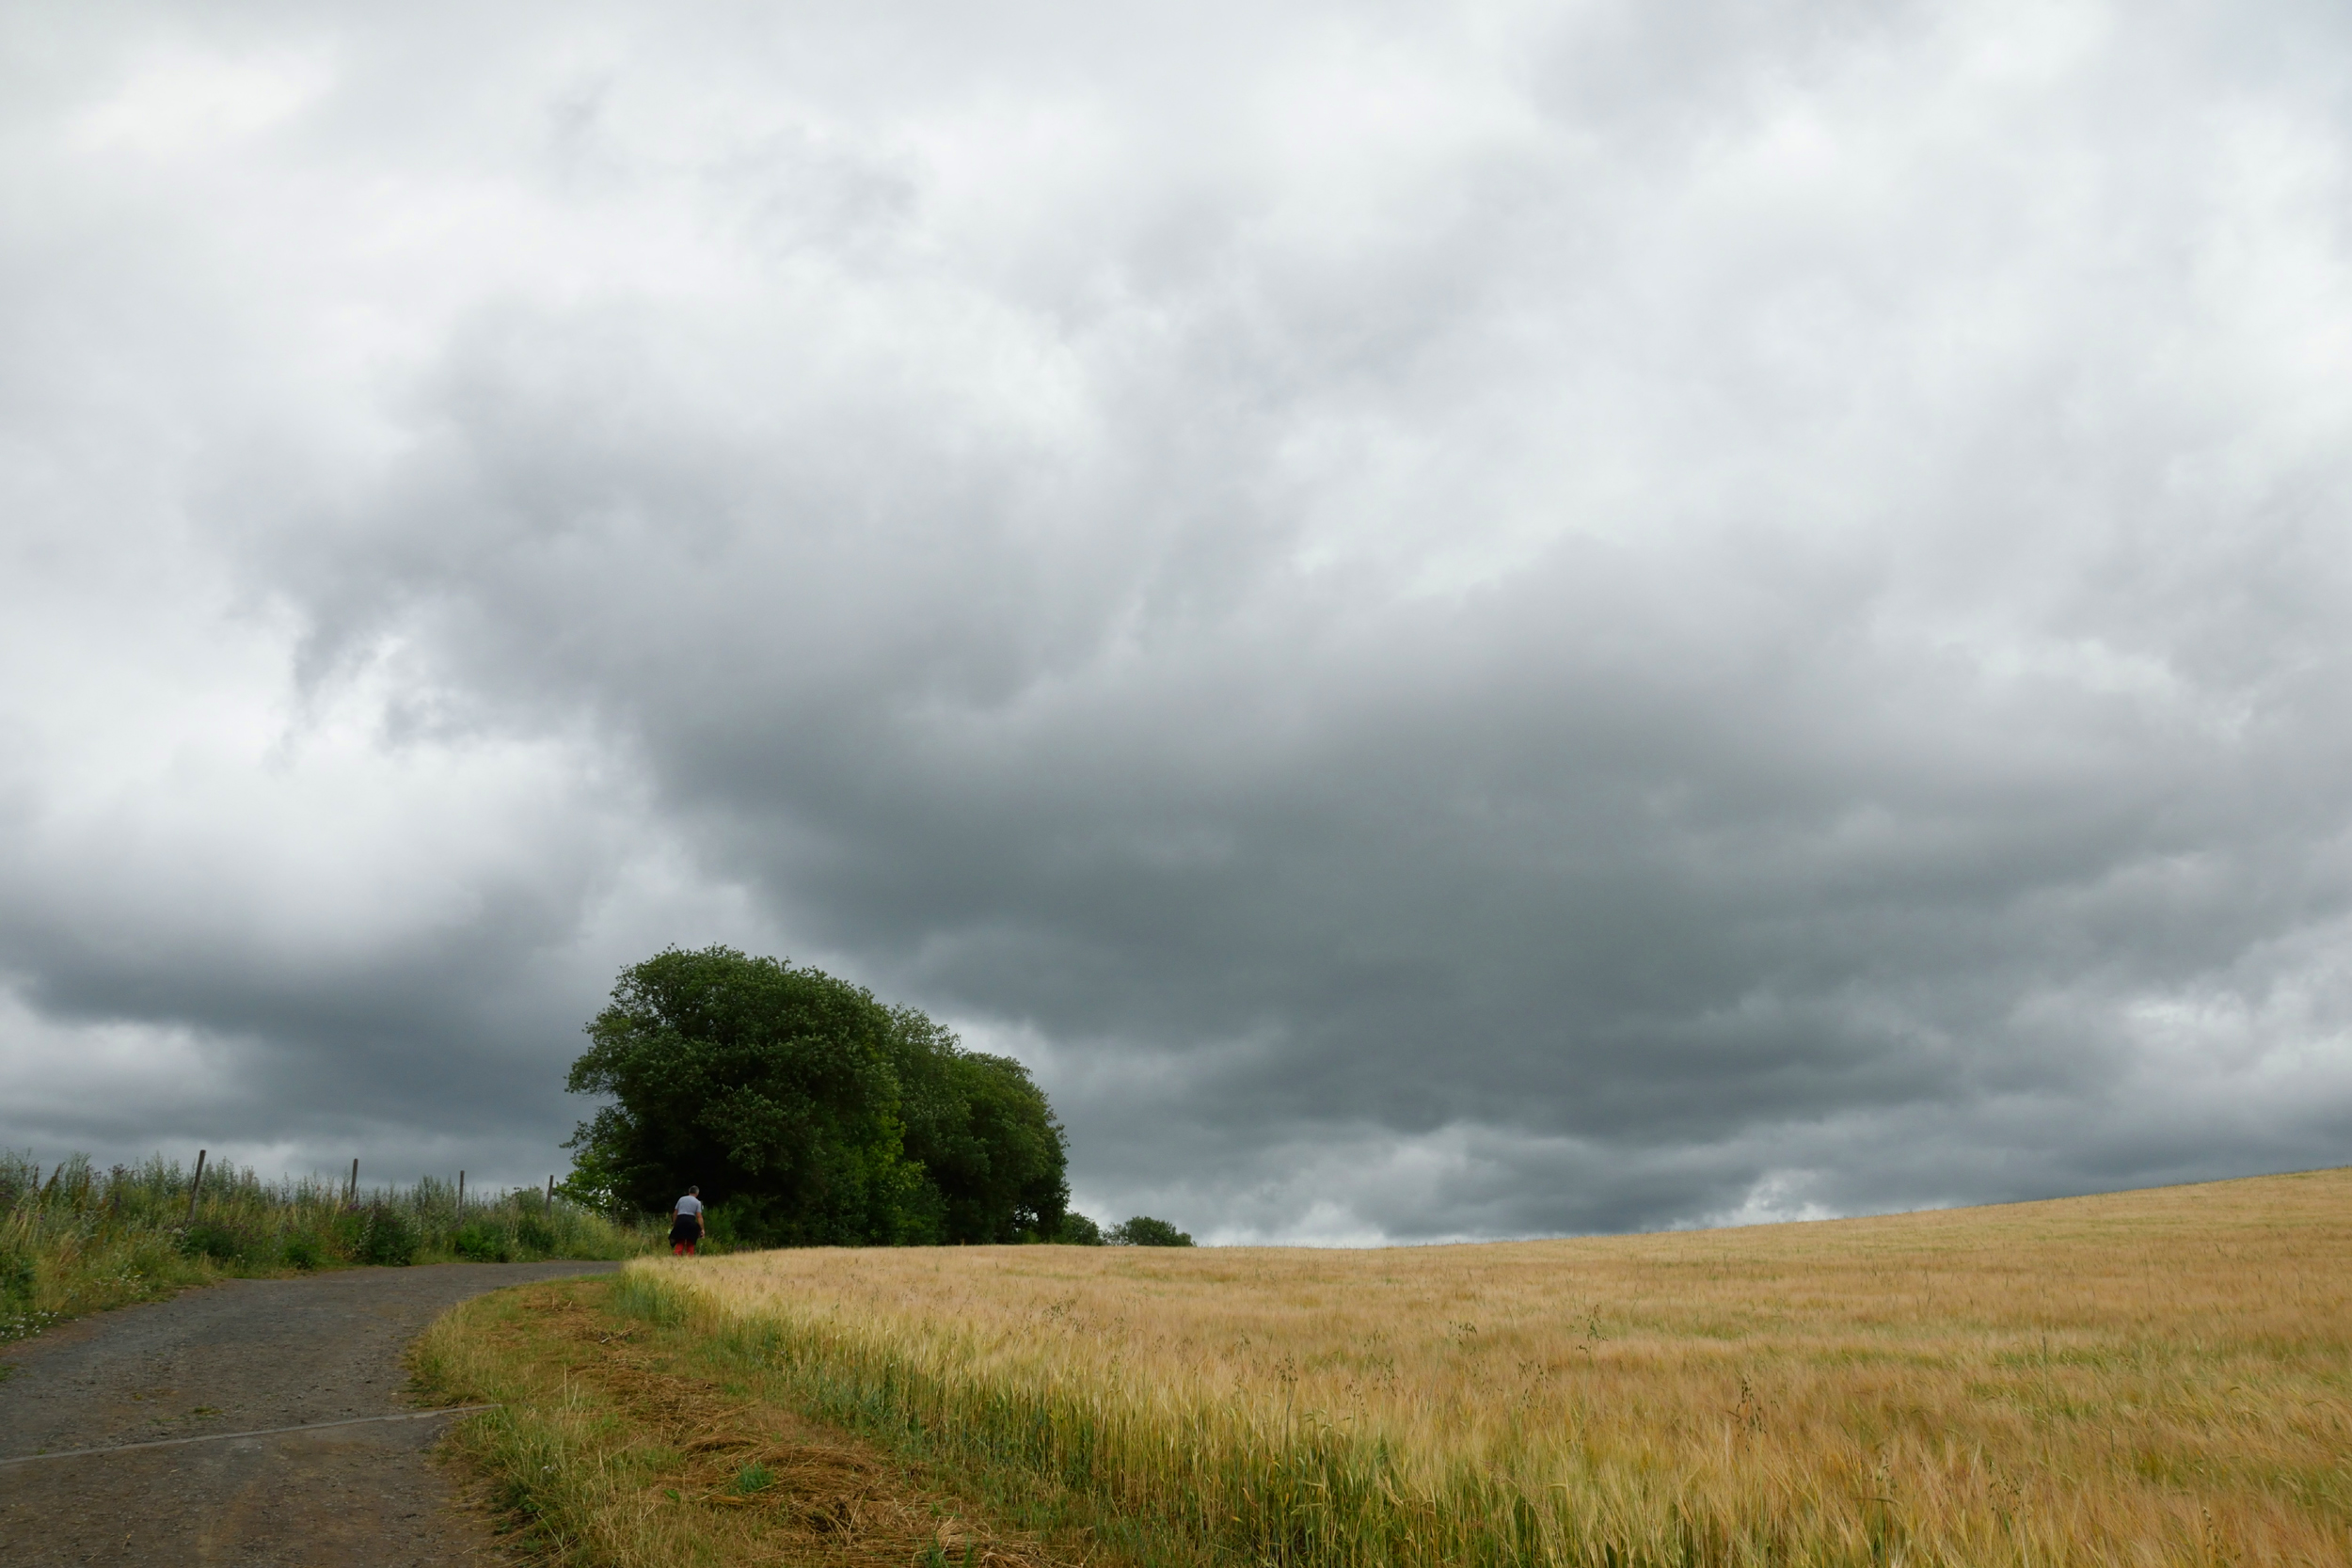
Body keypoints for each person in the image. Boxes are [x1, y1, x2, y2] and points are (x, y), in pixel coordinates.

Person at [670, 1186, 705, 1256]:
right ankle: (690, 1256)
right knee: (691, 1241)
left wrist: (674, 1224)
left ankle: (677, 1253)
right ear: (697, 1193)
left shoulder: (681, 1199)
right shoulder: (697, 1202)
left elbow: (675, 1213)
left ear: (689, 1192)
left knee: (680, 1240)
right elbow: (699, 1216)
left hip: (680, 1221)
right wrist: (702, 1229)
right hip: (691, 1222)